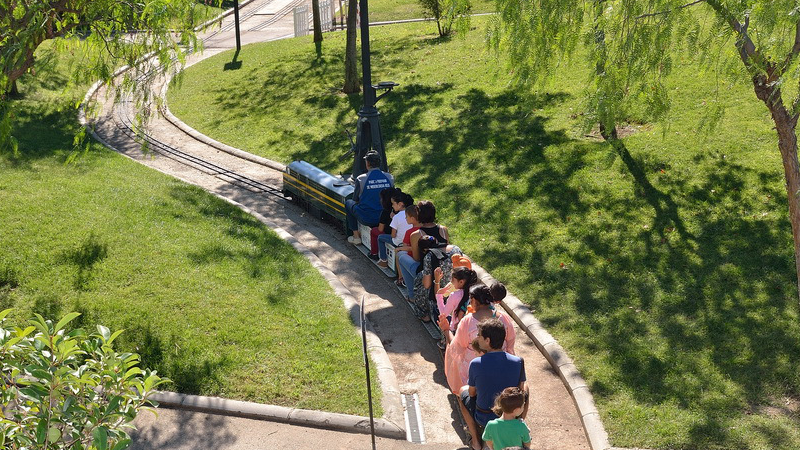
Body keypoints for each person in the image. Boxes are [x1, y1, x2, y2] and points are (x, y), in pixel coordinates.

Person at [459, 318, 527, 450]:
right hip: (509, 412)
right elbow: (520, 390)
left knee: (462, 391)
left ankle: (476, 441)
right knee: (526, 388)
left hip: (483, 416)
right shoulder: (519, 361)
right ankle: (519, 422)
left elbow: (472, 393)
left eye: (479, 335)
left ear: (487, 340)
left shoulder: (476, 363)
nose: (477, 338)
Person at [440, 283, 515, 395]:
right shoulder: (503, 318)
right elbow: (510, 344)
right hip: (500, 367)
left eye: (470, 300)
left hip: (473, 372)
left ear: (475, 300)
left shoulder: (468, 322)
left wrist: (446, 330)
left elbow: (456, 347)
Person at [397, 200, 448, 298]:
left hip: (425, 271)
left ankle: (412, 295)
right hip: (443, 268)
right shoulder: (443, 229)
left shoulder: (416, 234)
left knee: (401, 257)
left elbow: (416, 258)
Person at [346, 151, 394, 244]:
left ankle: (356, 237)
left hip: (367, 218)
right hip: (386, 217)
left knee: (348, 203)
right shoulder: (389, 177)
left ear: (367, 163)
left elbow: (355, 199)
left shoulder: (361, 179)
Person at [434, 266, 479, 333]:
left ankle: (443, 339)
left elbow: (443, 314)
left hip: (456, 330)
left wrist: (439, 295)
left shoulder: (454, 295)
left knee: (436, 311)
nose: (451, 282)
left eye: (452, 280)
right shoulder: (477, 294)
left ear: (461, 282)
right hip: (471, 330)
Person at [376, 192, 414, 267]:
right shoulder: (413, 214)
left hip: (399, 242)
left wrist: (393, 219)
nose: (392, 206)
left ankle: (383, 260)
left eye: (393, 203)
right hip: (411, 240)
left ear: (400, 204)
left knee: (380, 238)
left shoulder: (397, 217)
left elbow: (393, 235)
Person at [392, 204, 420, 288]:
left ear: (412, 219)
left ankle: (401, 278)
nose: (405, 218)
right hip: (422, 258)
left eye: (406, 217)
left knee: (399, 255)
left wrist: (399, 248)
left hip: (412, 258)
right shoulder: (423, 229)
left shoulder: (410, 232)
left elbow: (405, 248)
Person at [369, 187, 399, 259]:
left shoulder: (385, 212)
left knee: (374, 231)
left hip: (390, 235)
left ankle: (374, 253)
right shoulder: (401, 210)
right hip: (400, 234)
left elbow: (380, 229)